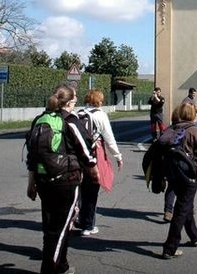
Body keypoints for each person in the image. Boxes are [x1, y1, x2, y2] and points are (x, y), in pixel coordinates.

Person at [26, 84, 98, 274]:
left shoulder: (40, 119)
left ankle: (62, 266)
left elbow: (32, 155)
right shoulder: (71, 120)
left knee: (51, 227)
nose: (75, 104)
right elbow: (86, 151)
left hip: (43, 180)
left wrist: (31, 182)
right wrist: (93, 167)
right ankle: (49, 270)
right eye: (74, 101)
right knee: (60, 229)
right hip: (67, 180)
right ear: (68, 103)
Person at [162, 103, 197, 260]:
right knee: (181, 209)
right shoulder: (193, 130)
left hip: (172, 173)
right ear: (192, 115)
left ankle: (195, 235)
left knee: (186, 205)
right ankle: (170, 248)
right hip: (187, 174)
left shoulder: (171, 129)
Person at [77, 89, 123, 236]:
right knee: (92, 189)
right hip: (94, 154)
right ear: (99, 101)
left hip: (79, 155)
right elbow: (109, 138)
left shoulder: (79, 113)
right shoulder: (101, 115)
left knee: (81, 189)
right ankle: (88, 226)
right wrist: (118, 156)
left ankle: (80, 219)